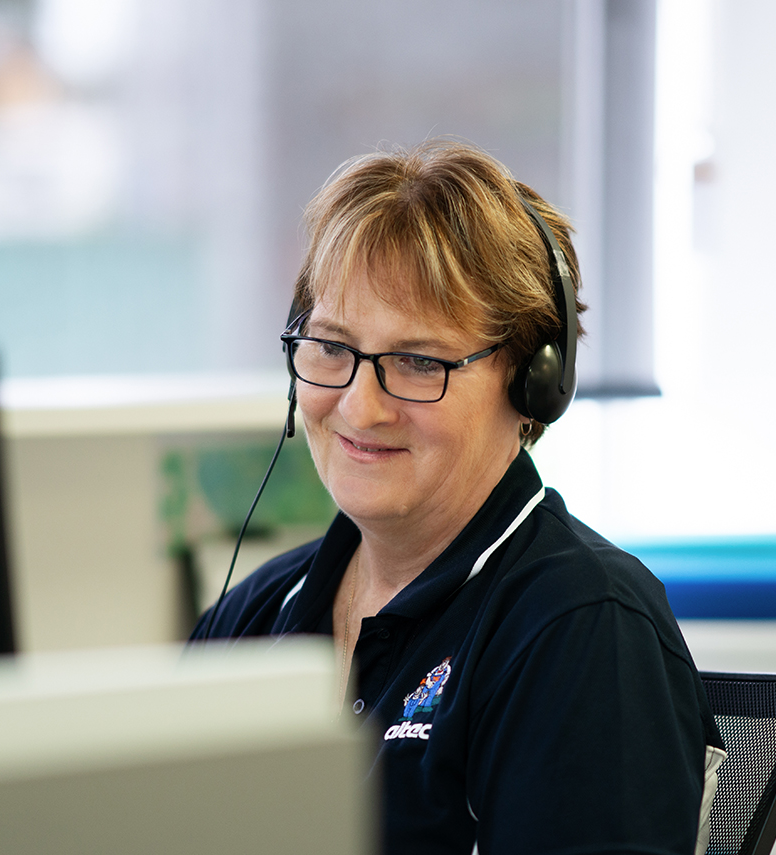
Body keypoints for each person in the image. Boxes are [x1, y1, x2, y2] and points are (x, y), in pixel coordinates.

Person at [190, 138, 726, 855]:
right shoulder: (261, 611)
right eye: (331, 347)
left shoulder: (580, 626)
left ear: (532, 380)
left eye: (417, 361)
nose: (359, 406)